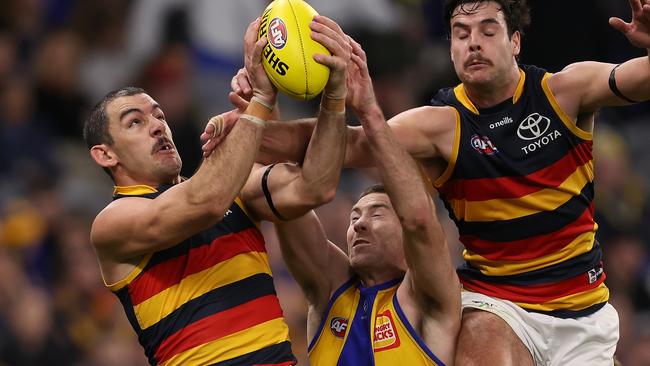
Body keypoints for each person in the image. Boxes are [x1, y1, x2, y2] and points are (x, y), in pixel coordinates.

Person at [205, 0, 650, 364]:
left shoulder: (566, 90)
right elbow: (345, 145)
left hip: (584, 311)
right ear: (451, 48)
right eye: (460, 33)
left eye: (487, 30)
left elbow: (636, 78)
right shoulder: (441, 125)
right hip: (499, 303)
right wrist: (249, 131)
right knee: (478, 349)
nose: (473, 43)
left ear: (515, 41)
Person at [83, 16, 351, 366]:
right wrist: (260, 102)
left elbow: (315, 186)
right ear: (105, 154)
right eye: (135, 122)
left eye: (159, 116)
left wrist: (334, 96)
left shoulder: (234, 189)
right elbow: (205, 202)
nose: (157, 127)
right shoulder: (112, 223)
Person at [269, 40, 461, 365]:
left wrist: (370, 113)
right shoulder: (331, 291)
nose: (358, 222)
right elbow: (285, 202)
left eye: (377, 212)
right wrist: (268, 93)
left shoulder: (426, 298)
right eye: (355, 215)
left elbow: (419, 218)